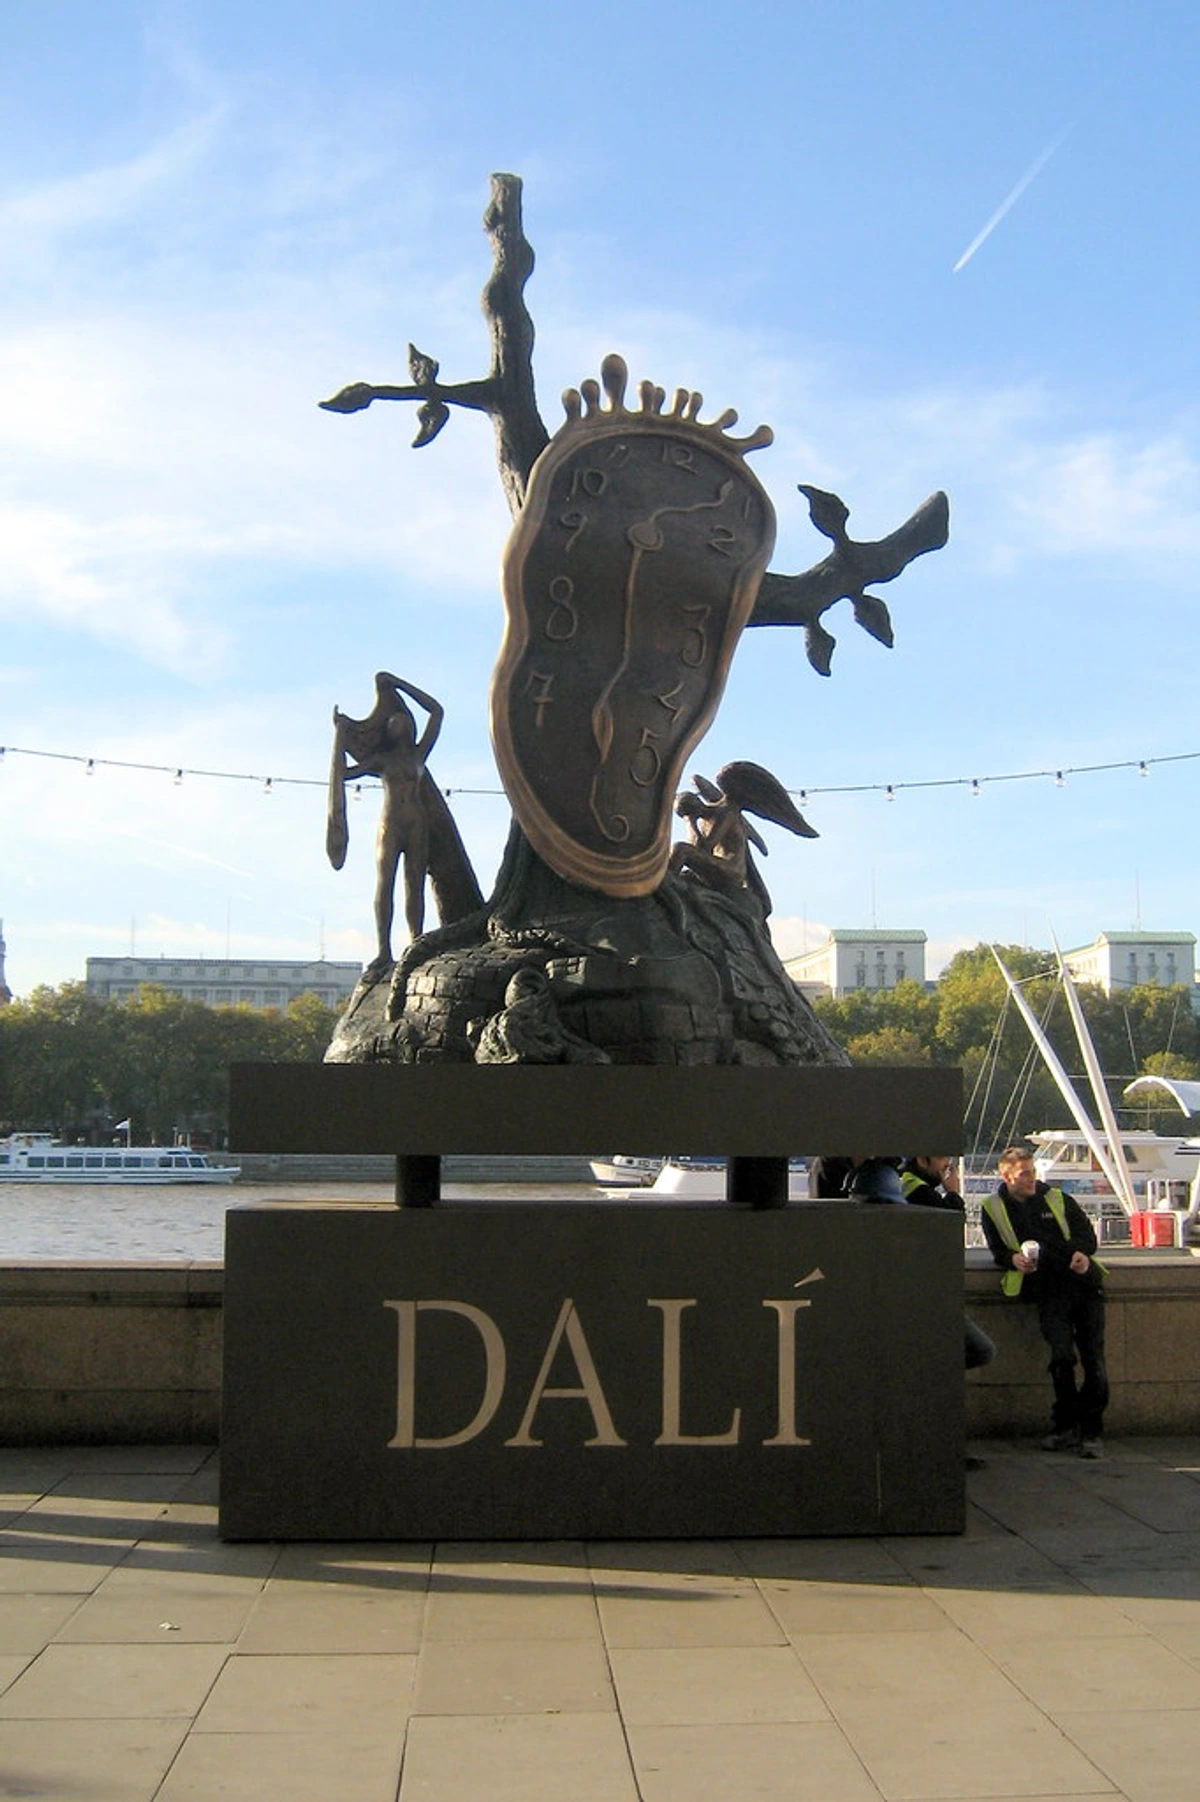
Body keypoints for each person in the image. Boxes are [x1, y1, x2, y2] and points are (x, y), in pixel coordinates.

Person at [981, 1145, 1108, 1458]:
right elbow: (998, 1250)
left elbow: (1087, 1238)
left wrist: (1080, 1254)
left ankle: (1091, 1432)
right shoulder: (993, 1207)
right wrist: (1013, 1259)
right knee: (1061, 1357)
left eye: (1033, 1172)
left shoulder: (1058, 1199)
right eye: (1024, 1174)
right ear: (1007, 1177)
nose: (1032, 1180)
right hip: (1047, 1290)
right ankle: (1065, 1426)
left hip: (1083, 1285)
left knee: (1093, 1359)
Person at [901, 1156, 997, 1373]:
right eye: (942, 1158)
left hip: (916, 1288)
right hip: (926, 1292)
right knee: (982, 1350)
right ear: (922, 1160)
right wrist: (953, 1192)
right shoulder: (919, 1191)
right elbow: (949, 1228)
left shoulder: (905, 1183)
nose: (947, 1164)